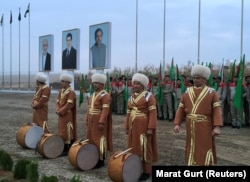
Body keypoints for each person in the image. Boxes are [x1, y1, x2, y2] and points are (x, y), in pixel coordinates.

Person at [173, 65, 223, 166]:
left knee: (204, 146)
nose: (195, 80)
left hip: (205, 125)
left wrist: (217, 126)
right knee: (191, 145)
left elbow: (217, 109)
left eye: (198, 78)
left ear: (204, 79)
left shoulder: (212, 92)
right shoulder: (187, 92)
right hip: (190, 124)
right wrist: (177, 123)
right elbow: (181, 108)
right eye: (194, 78)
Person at [124, 73, 158, 181]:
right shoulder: (131, 97)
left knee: (144, 147)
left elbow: (153, 113)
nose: (135, 86)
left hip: (143, 125)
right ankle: (135, 167)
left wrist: (150, 127)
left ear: (143, 85)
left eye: (137, 84)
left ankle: (147, 171)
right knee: (133, 146)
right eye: (134, 83)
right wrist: (126, 126)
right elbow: (128, 113)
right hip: (133, 126)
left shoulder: (149, 96)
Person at [85, 73, 113, 168]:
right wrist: (87, 118)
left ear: (102, 84)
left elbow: (105, 110)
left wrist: (101, 121)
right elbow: (89, 108)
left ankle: (101, 159)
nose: (95, 84)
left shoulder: (105, 95)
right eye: (94, 82)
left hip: (98, 120)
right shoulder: (93, 95)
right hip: (91, 120)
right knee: (91, 139)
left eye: (97, 83)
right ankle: (93, 157)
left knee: (99, 139)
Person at [56, 73, 77, 156]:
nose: (61, 82)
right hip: (61, 113)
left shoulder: (71, 92)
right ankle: (62, 145)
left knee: (67, 129)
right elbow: (57, 102)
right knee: (61, 129)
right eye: (61, 81)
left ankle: (67, 146)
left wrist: (61, 111)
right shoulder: (61, 91)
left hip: (67, 114)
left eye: (63, 81)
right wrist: (58, 109)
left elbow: (69, 104)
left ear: (68, 82)